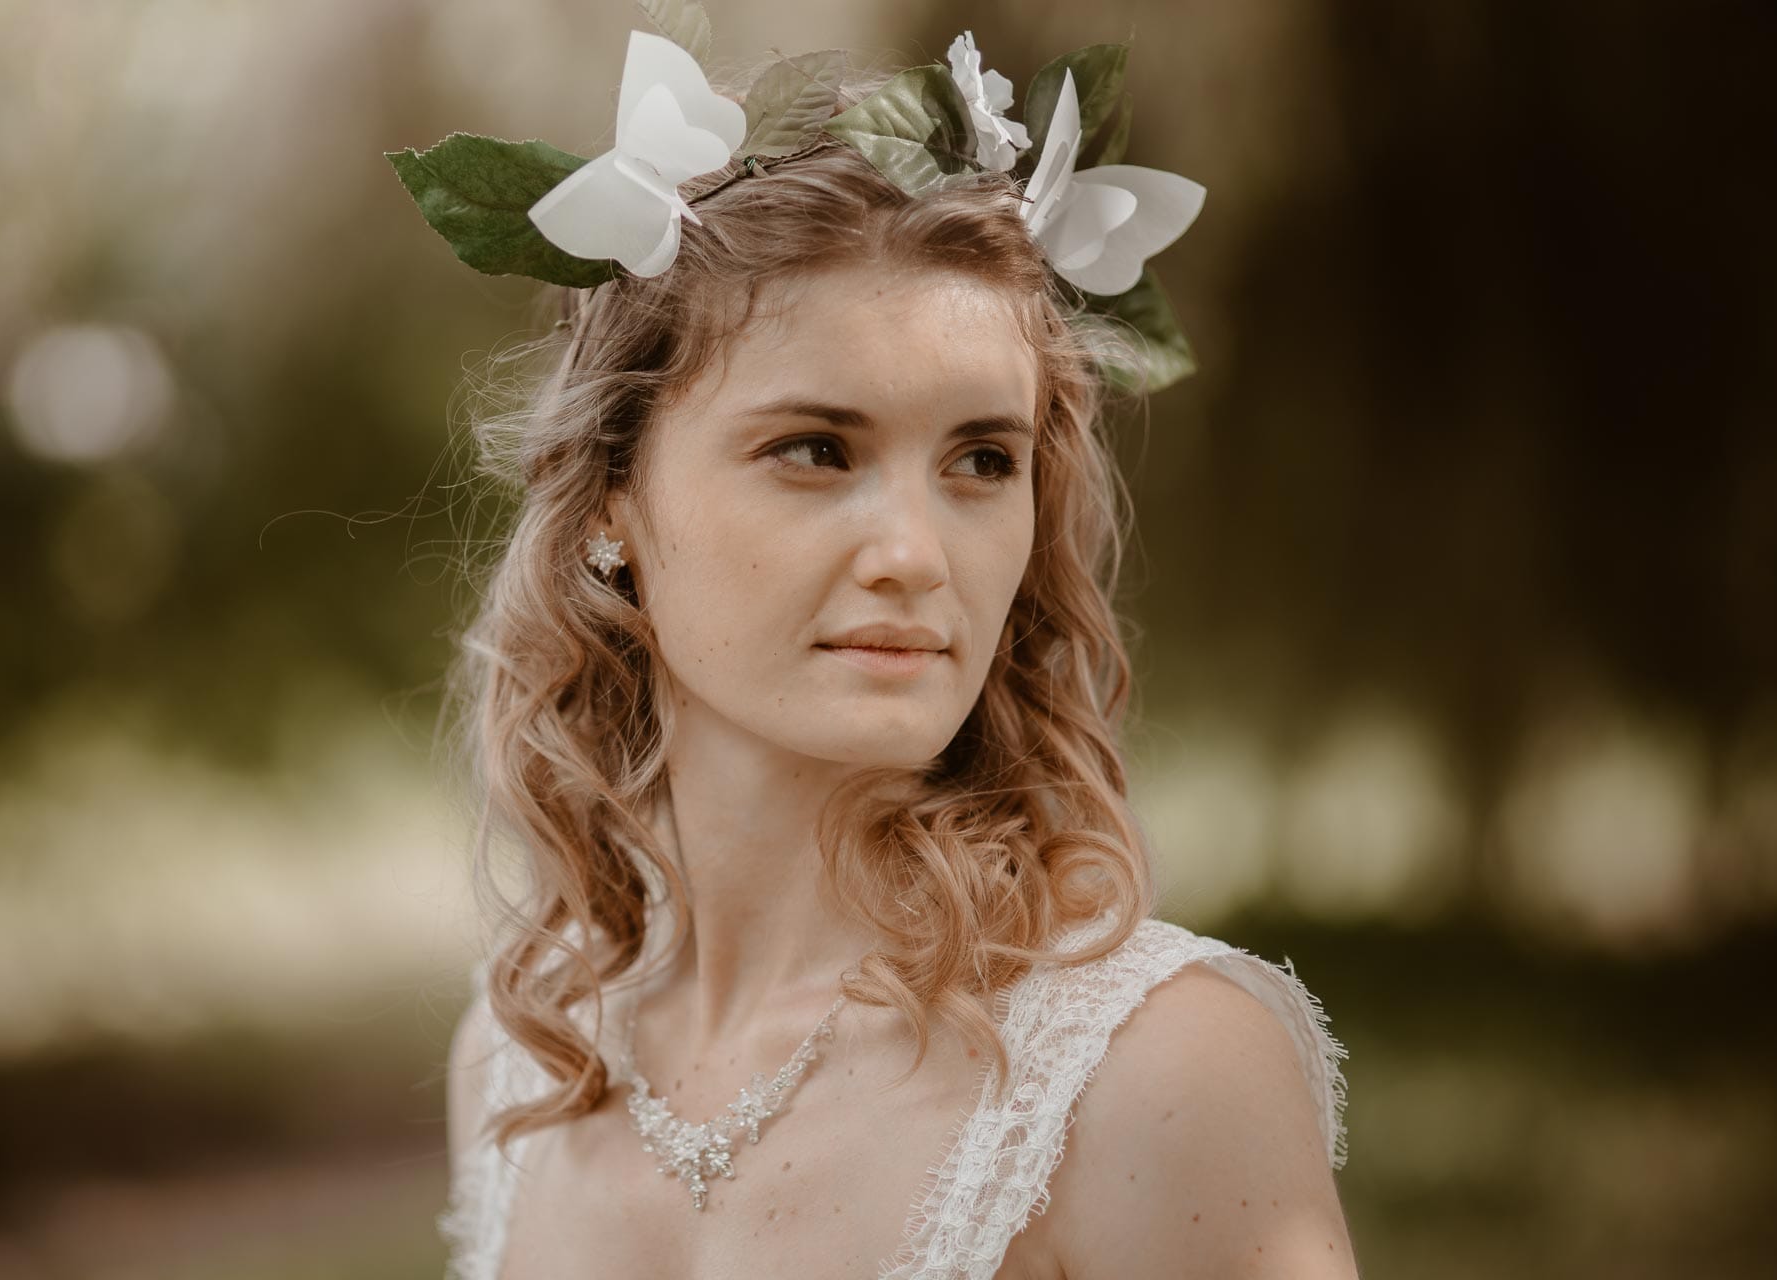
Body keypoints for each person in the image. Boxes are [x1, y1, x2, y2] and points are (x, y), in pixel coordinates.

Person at [399, 23, 1358, 1280]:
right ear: (609, 507)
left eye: (980, 459)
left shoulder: (1154, 1072)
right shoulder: (522, 1059)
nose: (915, 552)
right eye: (816, 448)